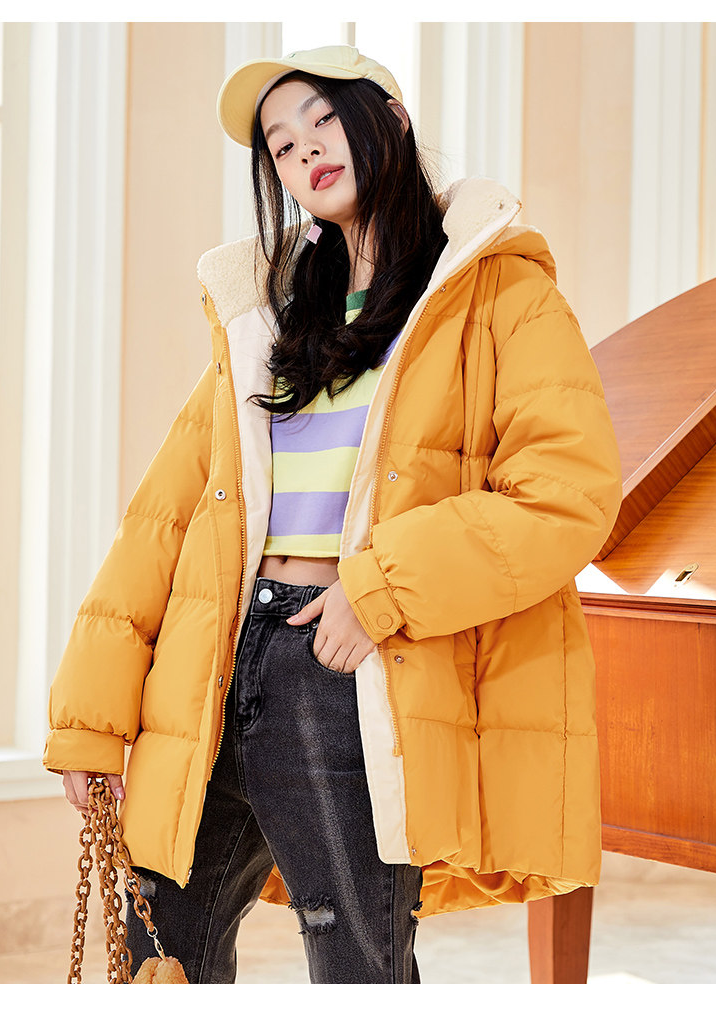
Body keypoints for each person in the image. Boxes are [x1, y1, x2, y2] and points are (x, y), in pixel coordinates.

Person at [44, 45, 622, 984]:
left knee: (357, 961)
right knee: (158, 952)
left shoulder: (497, 293)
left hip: (346, 661)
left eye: (321, 118)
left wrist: (378, 589)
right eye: (280, 145)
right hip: (213, 663)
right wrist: (89, 718)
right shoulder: (266, 320)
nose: (303, 149)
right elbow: (162, 524)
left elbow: (568, 495)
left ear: (389, 118)